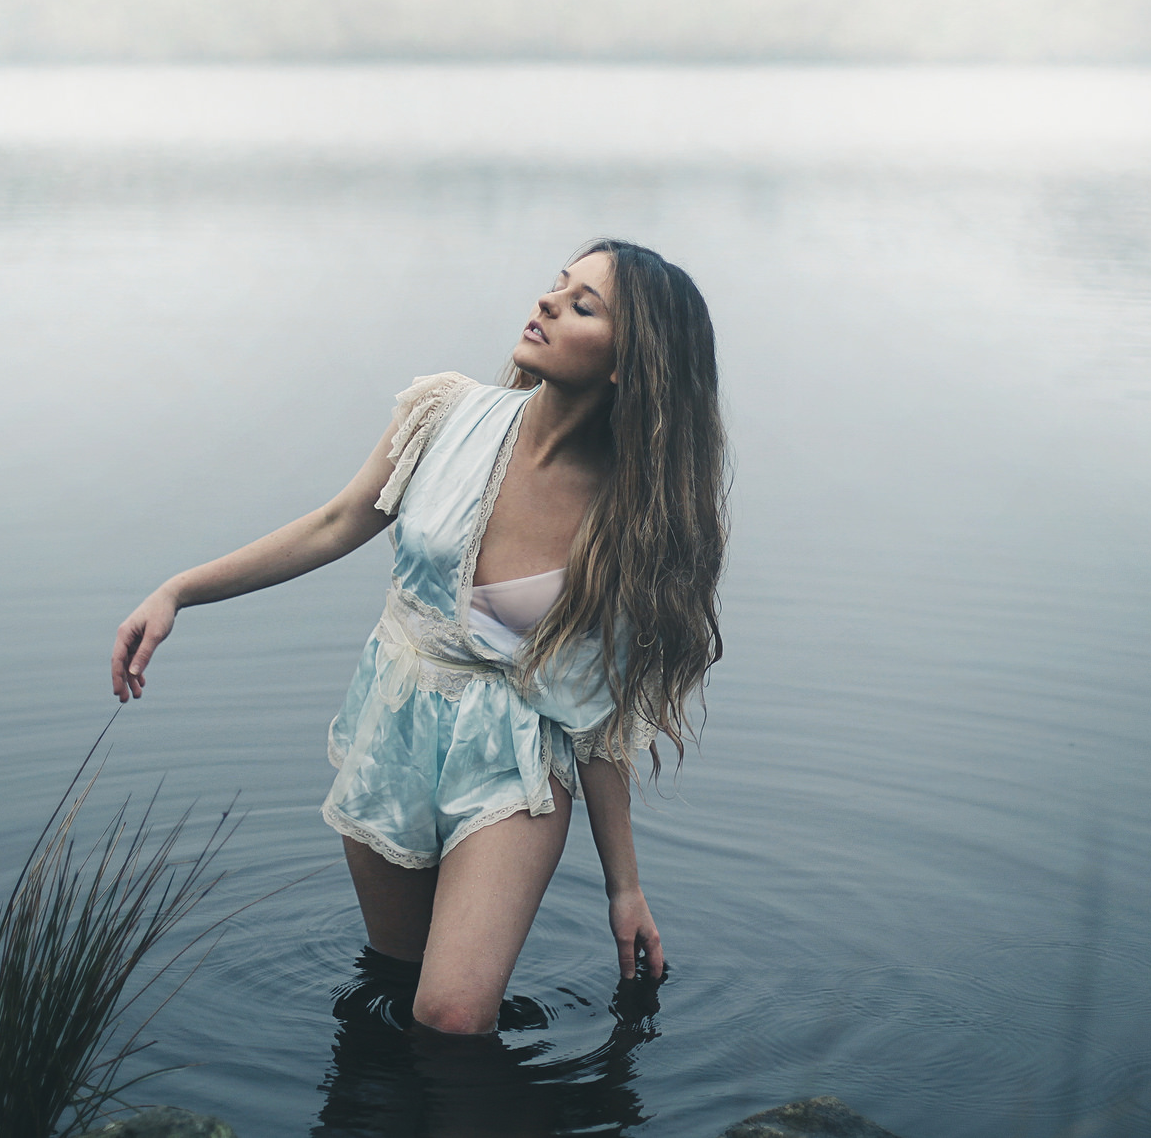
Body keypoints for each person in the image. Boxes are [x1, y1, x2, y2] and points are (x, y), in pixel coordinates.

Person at [109, 240, 728, 1037]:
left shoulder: (629, 522)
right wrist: (178, 591)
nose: (546, 302)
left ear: (626, 365)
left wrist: (625, 888)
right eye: (556, 285)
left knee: (452, 1014)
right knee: (397, 989)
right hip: (395, 726)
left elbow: (595, 715)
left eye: (583, 306)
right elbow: (334, 524)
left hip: (513, 761)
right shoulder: (445, 415)